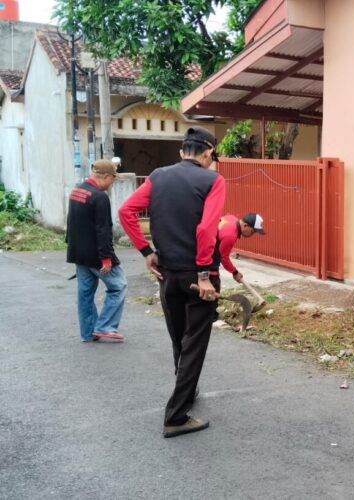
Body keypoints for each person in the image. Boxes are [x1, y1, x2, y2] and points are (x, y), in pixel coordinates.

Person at [119, 127, 225, 438]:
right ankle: (177, 416)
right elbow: (206, 230)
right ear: (207, 154)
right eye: (211, 156)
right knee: (195, 343)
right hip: (198, 275)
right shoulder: (213, 180)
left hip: (167, 274)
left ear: (182, 152)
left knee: (179, 338)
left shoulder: (157, 176)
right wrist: (205, 274)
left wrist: (146, 251)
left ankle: (186, 393)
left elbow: (126, 211)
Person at [66, 159, 127, 342]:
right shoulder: (99, 197)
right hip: (96, 255)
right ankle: (105, 326)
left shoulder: (77, 191)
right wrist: (106, 258)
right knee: (119, 286)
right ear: (106, 176)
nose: (112, 183)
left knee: (85, 294)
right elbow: (103, 229)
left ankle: (88, 332)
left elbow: (72, 223)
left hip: (78, 253)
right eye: (113, 179)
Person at [218, 212, 266, 282]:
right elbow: (223, 257)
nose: (251, 235)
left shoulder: (232, 218)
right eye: (252, 232)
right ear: (245, 225)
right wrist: (235, 272)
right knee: (213, 281)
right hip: (202, 250)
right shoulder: (230, 236)